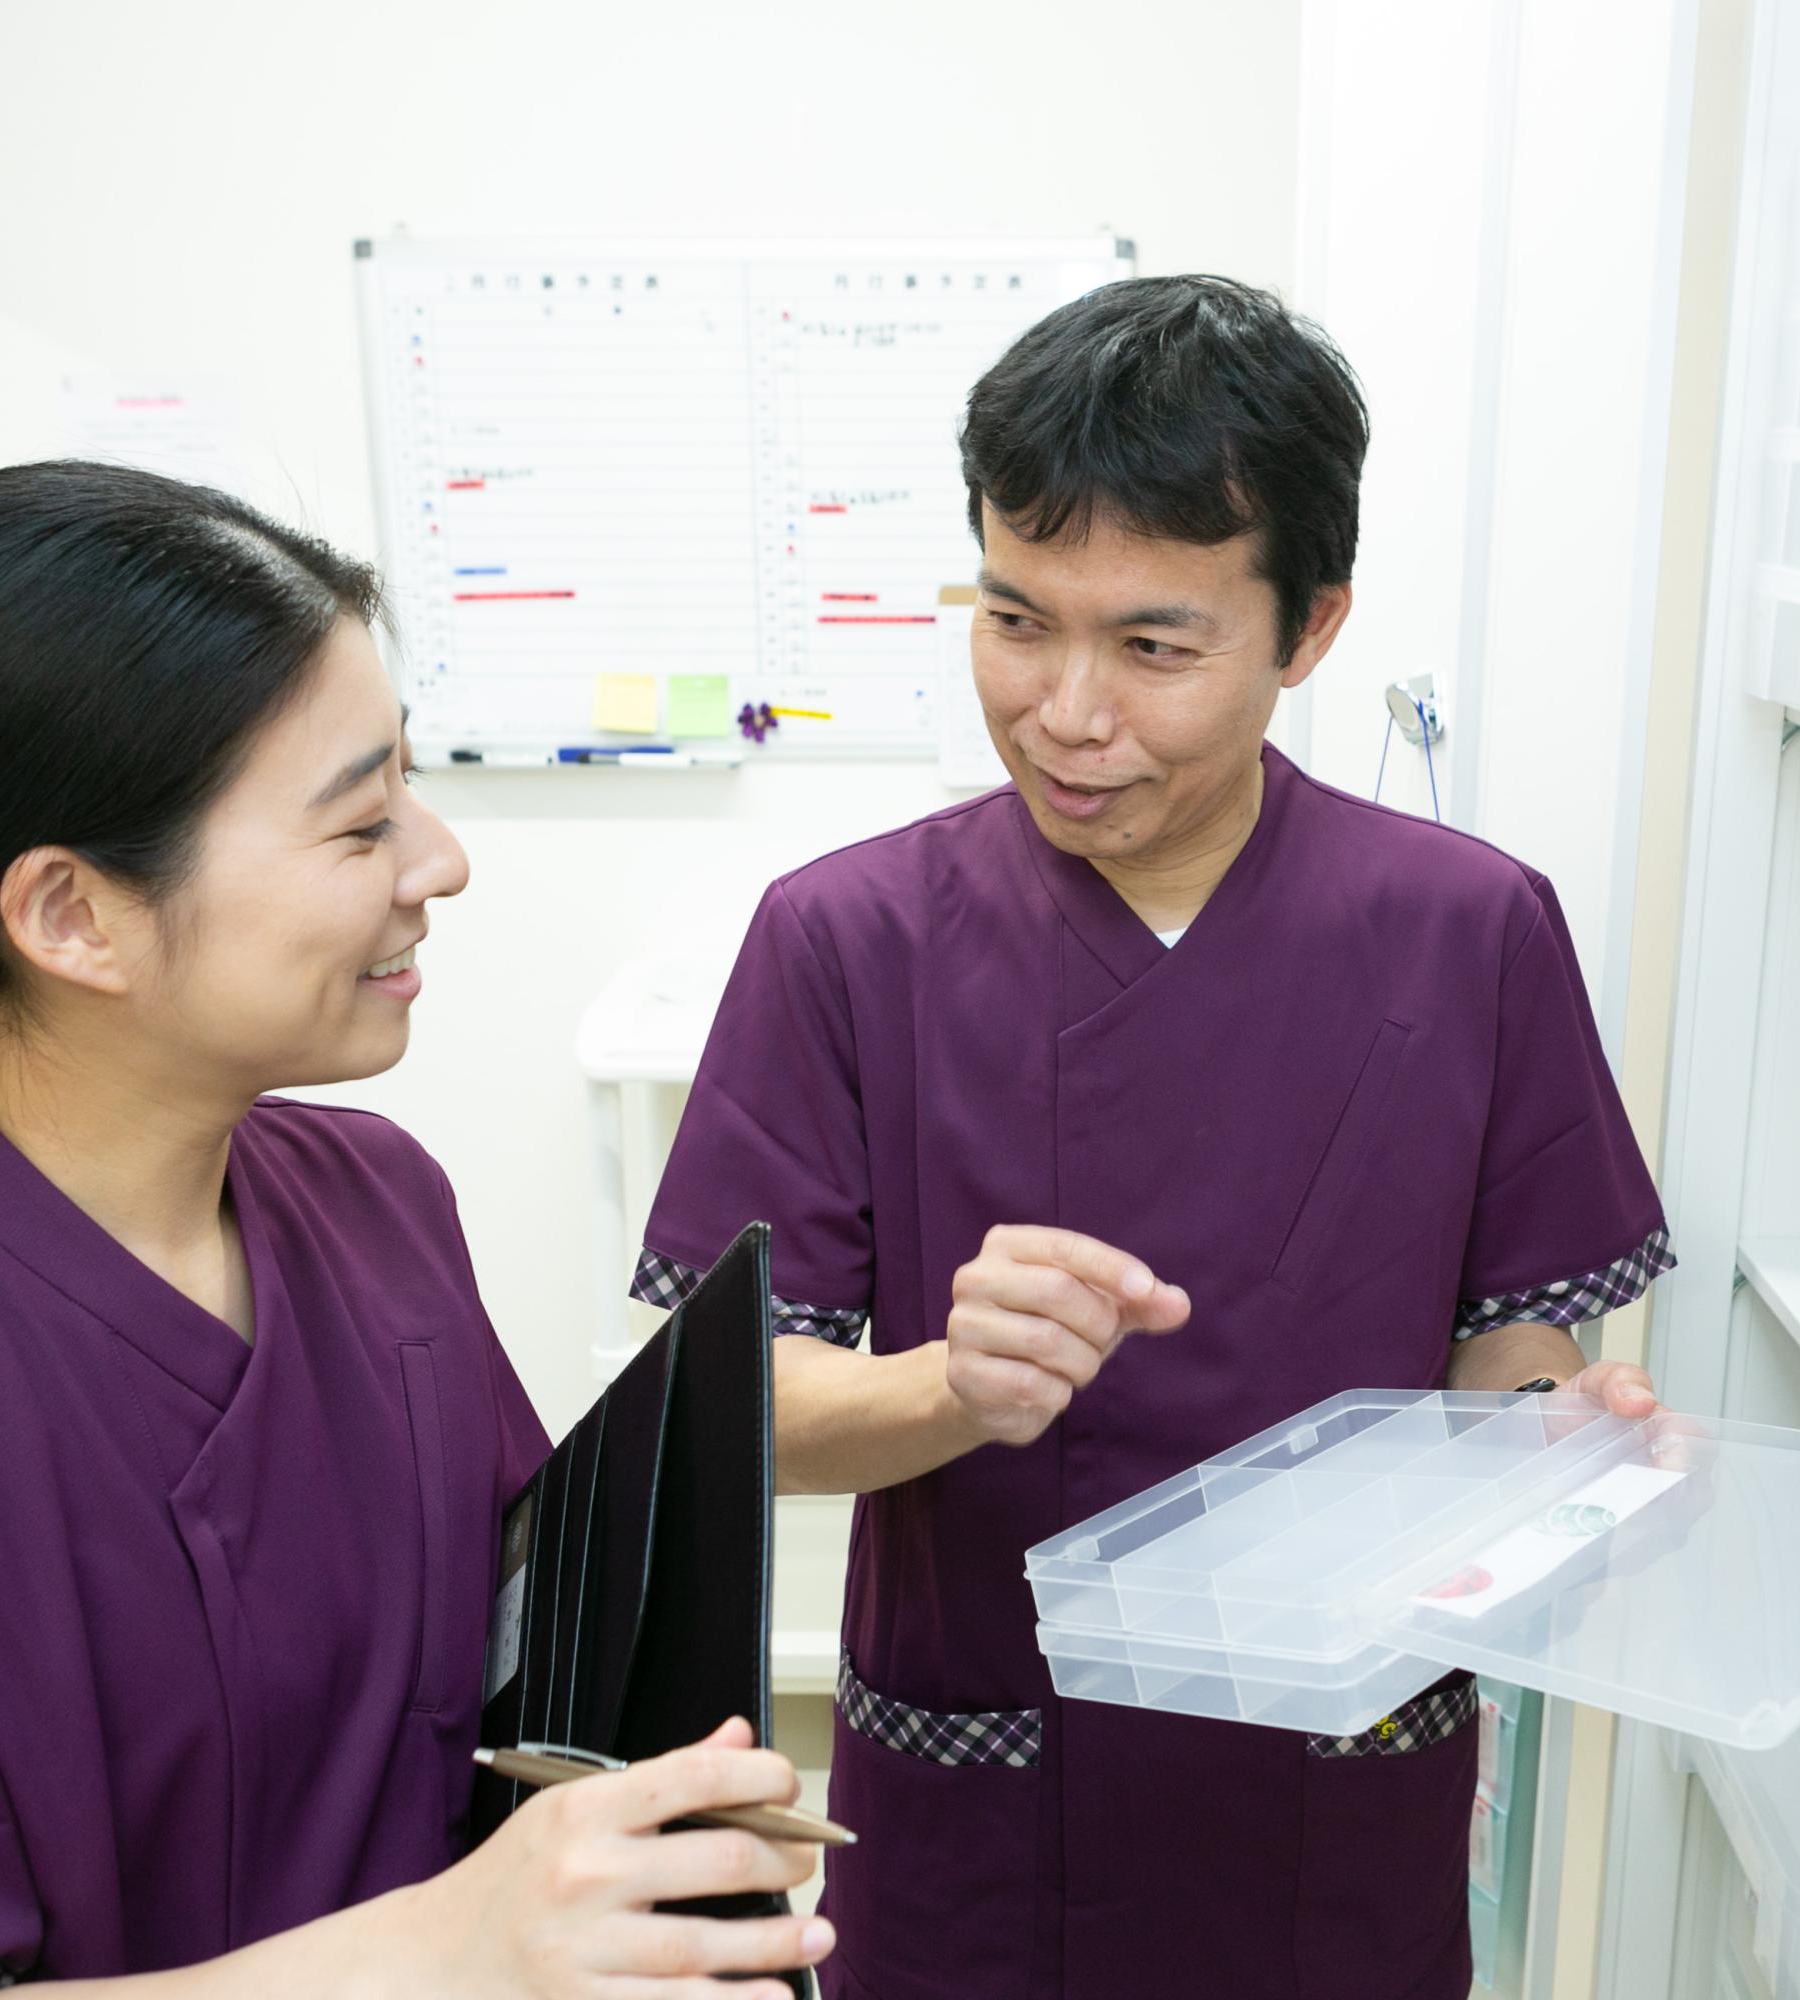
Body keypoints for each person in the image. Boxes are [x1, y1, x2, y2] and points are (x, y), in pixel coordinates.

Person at [0, 464, 836, 2000]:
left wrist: (645, 1835)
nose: (439, 861)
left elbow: (526, 1680)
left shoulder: (377, 1206)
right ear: (70, 917)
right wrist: (455, 1951)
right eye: (362, 822)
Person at [632, 276, 1676, 2000]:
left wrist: (1558, 1455)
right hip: (985, 1794)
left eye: (1154, 646)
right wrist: (947, 1390)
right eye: (1016, 618)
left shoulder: (1466, 931)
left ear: (1312, 626)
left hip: (1333, 1794)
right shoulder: (848, 942)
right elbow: (739, 1421)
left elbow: (1512, 1341)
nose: (1065, 708)